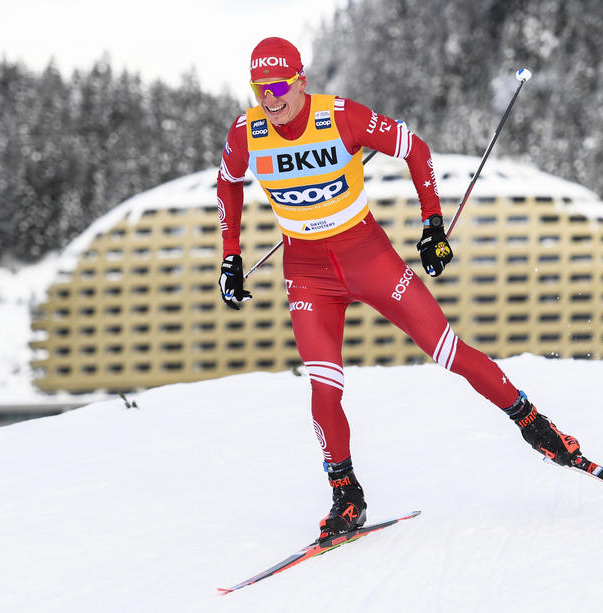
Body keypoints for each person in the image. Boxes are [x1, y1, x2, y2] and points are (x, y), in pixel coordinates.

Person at [217, 37, 581, 540]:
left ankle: (536, 425)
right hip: (307, 272)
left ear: (301, 82)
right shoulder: (247, 132)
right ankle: (346, 496)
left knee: (447, 350)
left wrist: (433, 225)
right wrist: (230, 256)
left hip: (366, 256)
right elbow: (228, 181)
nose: (269, 98)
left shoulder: (340, 116)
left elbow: (414, 148)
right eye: (259, 88)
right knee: (323, 388)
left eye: (278, 86)